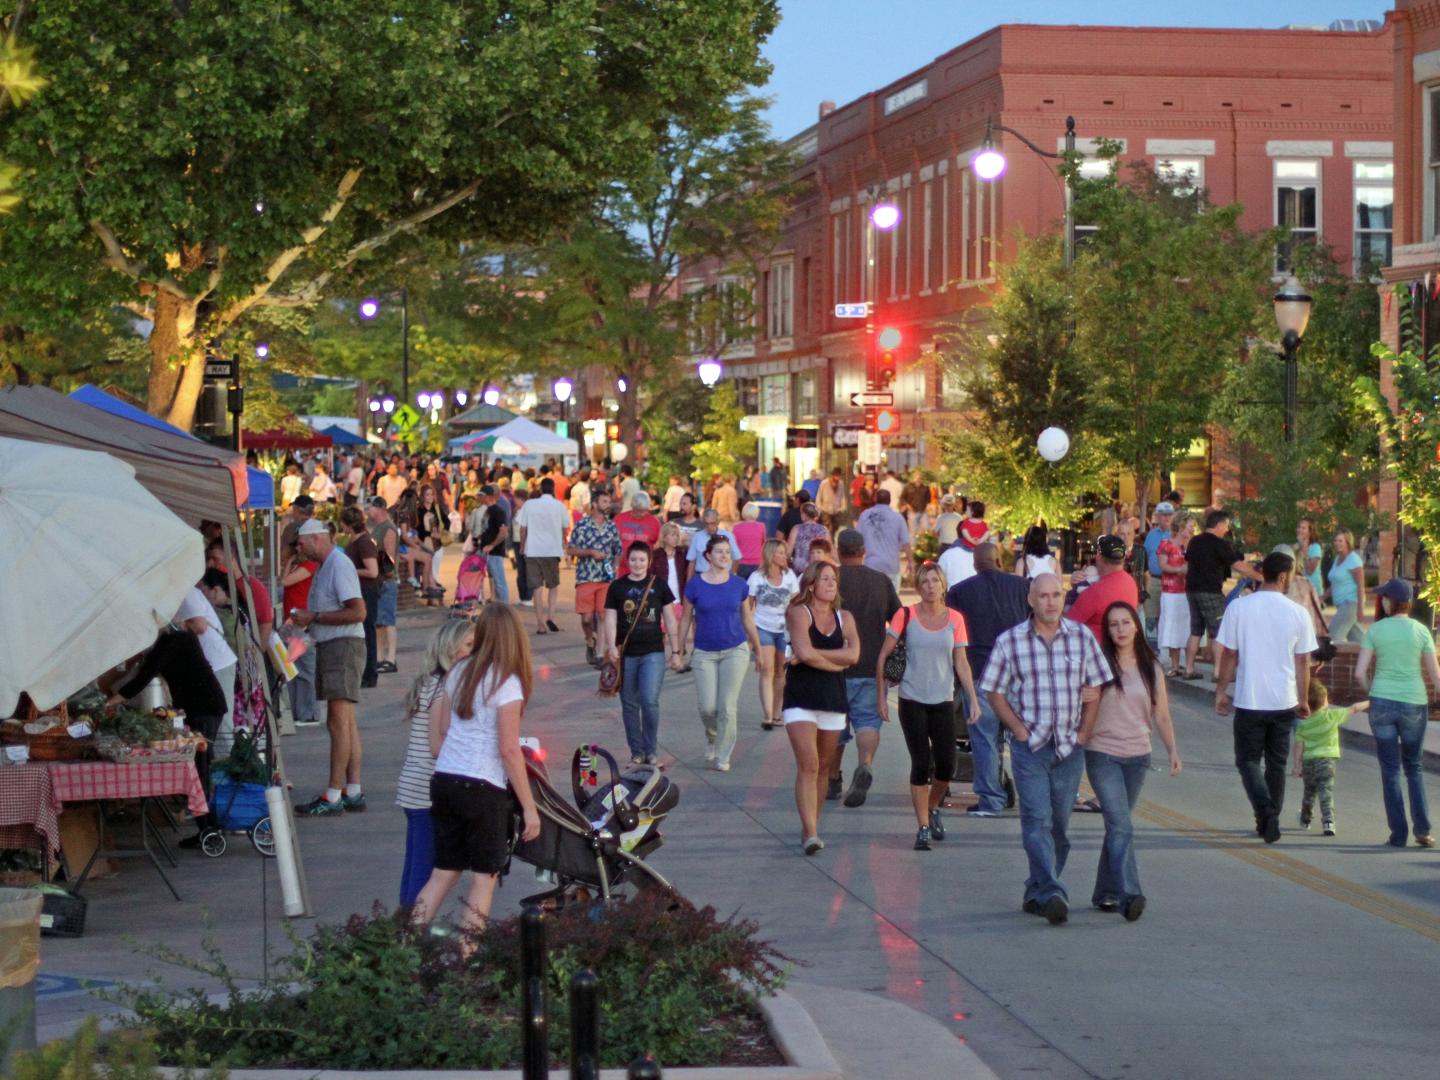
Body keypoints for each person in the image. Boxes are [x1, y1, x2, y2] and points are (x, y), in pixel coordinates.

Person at [980, 574, 1109, 925]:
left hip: (1069, 748)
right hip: (1030, 748)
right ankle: (1053, 891)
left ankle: (1037, 890)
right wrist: (1017, 728)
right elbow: (993, 690)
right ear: (1032, 600)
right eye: (1044, 596)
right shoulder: (1011, 641)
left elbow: (1097, 684)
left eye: (1056, 595)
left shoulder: (1081, 637)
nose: (1051, 602)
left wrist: (1084, 732)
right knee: (1036, 820)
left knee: (1060, 828)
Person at [411, 605, 542, 942]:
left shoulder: (459, 671)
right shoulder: (507, 682)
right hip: (483, 786)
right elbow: (509, 750)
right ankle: (467, 956)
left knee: (443, 872)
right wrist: (529, 807)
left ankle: (405, 949)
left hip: (445, 779)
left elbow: (444, 728)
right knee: (484, 877)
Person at [1077, 601, 1181, 922]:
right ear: (1107, 631)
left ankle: (1105, 893)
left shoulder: (1151, 666)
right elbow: (1080, 701)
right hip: (1102, 754)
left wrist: (1172, 751)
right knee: (1121, 825)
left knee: (1116, 827)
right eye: (1113, 625)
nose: (1120, 630)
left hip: (1138, 757)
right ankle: (1130, 893)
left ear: (1136, 625)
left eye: (1125, 622)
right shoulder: (1099, 664)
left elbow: (1161, 713)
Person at [1214, 551, 1317, 844]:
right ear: (1283, 576)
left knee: (1247, 760)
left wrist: (1222, 691)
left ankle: (1266, 812)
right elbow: (1302, 662)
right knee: (1276, 763)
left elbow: (1230, 654)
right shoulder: (1298, 613)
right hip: (1284, 699)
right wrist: (1304, 699)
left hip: (1250, 698)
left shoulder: (1240, 608)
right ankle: (1269, 814)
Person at [876, 563, 979, 851]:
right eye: (925, 582)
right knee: (921, 763)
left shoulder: (955, 619)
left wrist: (972, 699)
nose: (931, 586)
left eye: (935, 581)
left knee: (947, 765)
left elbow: (961, 661)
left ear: (943, 585)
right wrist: (881, 696)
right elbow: (883, 656)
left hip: (943, 699)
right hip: (912, 699)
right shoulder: (905, 615)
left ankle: (933, 806)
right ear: (918, 587)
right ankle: (922, 826)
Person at [108, 621, 228, 848]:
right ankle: (207, 826)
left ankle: (208, 829)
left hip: (203, 707)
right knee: (199, 766)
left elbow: (143, 678)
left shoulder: (173, 643)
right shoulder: (179, 638)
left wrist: (111, 701)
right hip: (203, 706)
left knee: (200, 767)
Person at [946, 542, 1032, 818]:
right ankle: (1031, 796)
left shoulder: (959, 592)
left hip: (980, 671)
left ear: (975, 564)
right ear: (999, 559)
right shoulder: (1022, 587)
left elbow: (952, 636)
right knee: (1021, 738)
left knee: (984, 739)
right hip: (1018, 672)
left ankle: (991, 800)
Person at [291, 517, 369, 815]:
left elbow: (357, 611)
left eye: (301, 542)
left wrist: (315, 618)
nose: (299, 548)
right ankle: (352, 789)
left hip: (343, 645)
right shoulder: (327, 565)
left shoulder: (337, 564)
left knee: (337, 722)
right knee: (346, 722)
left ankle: (334, 795)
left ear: (316, 539)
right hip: (336, 645)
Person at [1354, 577, 1439, 847]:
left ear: (1391, 601)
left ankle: (1398, 833)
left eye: (1385, 598)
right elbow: (1435, 675)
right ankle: (1422, 830)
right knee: (1413, 767)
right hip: (1414, 701)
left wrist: (1371, 690)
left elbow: (1358, 673)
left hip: (1382, 700)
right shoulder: (1421, 631)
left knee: (1390, 769)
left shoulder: (1376, 630)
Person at [396, 620, 475, 907]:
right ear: (450, 650)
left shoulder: (430, 682)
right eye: (468, 646)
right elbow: (437, 745)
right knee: (424, 868)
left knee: (415, 862)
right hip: (426, 789)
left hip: (413, 786)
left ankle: (402, 926)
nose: (474, 652)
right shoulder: (444, 688)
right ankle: (412, 933)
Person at [782, 561, 860, 854]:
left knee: (825, 768)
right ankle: (812, 833)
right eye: (825, 579)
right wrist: (831, 662)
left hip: (833, 699)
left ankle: (810, 824)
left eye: (834, 579)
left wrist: (816, 657)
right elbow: (802, 651)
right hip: (801, 698)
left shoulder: (845, 617)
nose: (831, 584)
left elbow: (854, 654)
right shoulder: (798, 612)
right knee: (809, 764)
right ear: (811, 584)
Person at [829, 529, 902, 807]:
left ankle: (833, 778)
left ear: (838, 550)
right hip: (872, 665)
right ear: (864, 551)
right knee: (868, 723)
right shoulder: (880, 581)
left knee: (835, 726)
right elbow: (898, 620)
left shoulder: (830, 579)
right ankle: (865, 765)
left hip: (834, 665)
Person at [676, 534, 760, 771]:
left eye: (727, 552)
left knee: (727, 706)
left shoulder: (738, 585)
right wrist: (677, 650)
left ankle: (724, 755)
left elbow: (747, 619)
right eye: (719, 552)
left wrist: (759, 650)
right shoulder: (694, 585)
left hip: (736, 650)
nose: (724, 556)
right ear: (708, 556)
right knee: (707, 707)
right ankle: (712, 736)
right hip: (704, 652)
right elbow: (685, 619)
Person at [603, 541, 681, 767]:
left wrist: (676, 651)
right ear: (628, 561)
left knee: (649, 701)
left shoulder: (659, 585)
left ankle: (651, 750)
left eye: (642, 560)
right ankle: (636, 752)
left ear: (649, 562)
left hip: (653, 652)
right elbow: (610, 618)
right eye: (634, 560)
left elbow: (670, 619)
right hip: (626, 654)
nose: (637, 564)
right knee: (629, 703)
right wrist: (610, 646)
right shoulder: (617, 587)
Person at [1183, 509, 1260, 679]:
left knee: (1195, 630)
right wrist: (1259, 576)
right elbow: (1237, 565)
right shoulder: (1219, 544)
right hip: (1210, 591)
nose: (1227, 529)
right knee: (1219, 631)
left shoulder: (1195, 541)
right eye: (1226, 525)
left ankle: (1189, 669)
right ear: (1219, 524)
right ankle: (1218, 672)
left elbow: (1188, 561)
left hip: (1192, 590)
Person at [1293, 681, 1368, 839]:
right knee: (1325, 792)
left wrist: (1297, 765)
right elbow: (1354, 708)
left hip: (1309, 762)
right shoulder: (1331, 716)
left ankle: (1305, 820)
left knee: (1309, 793)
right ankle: (1328, 823)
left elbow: (1299, 745)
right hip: (1327, 761)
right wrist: (1371, 701)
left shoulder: (1303, 723)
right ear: (1324, 701)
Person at [747, 539, 800, 731]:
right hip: (763, 627)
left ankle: (777, 712)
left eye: (784, 553)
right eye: (780, 553)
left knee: (780, 672)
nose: (784, 556)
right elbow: (747, 605)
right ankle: (768, 715)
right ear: (771, 555)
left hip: (783, 630)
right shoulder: (756, 577)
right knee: (767, 670)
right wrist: (749, 635)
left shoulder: (790, 576)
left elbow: (796, 603)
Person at [567, 491, 622, 666]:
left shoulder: (612, 527)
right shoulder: (582, 525)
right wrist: (590, 552)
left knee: (604, 615)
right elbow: (571, 550)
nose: (608, 504)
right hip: (586, 576)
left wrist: (615, 568)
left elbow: (618, 550)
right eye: (605, 501)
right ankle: (589, 640)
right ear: (594, 504)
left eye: (609, 501)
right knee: (587, 618)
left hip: (605, 578)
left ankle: (599, 654)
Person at [515, 477, 571, 634]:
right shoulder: (559, 506)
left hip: (532, 551)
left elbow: (523, 529)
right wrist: (562, 543)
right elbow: (565, 528)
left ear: (540, 489)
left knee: (536, 587)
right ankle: (550, 616)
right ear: (553, 489)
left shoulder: (529, 504)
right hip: (552, 551)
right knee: (553, 585)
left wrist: (522, 546)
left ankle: (540, 624)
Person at [1065, 535, 1140, 641]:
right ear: (1123, 558)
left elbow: (1067, 625)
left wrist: (1073, 591)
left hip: (1096, 651)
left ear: (1098, 556)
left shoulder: (1095, 592)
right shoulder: (1130, 582)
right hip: (1120, 650)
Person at [279, 538, 319, 727]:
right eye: (295, 545)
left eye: (300, 545)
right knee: (293, 669)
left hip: (301, 621)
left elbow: (285, 581)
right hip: (291, 620)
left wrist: (289, 562)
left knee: (304, 669)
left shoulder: (310, 565)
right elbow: (283, 581)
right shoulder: (299, 566)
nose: (297, 549)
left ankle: (308, 713)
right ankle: (299, 711)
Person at [342, 505, 383, 687]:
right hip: (359, 591)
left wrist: (351, 570)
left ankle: (369, 673)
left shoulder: (364, 543)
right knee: (362, 632)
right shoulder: (356, 541)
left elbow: (372, 571)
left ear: (348, 525)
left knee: (368, 632)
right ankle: (363, 672)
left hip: (367, 591)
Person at [1156, 512, 1194, 676]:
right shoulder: (1166, 544)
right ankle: (1175, 665)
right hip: (1171, 592)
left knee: (1187, 627)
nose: (1192, 529)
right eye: (1190, 526)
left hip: (1188, 591)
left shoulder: (1193, 545)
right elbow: (1163, 565)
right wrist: (1180, 569)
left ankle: (1188, 664)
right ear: (1180, 526)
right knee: (1172, 628)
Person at [366, 498, 402, 674]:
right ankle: (380, 657)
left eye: (370, 508)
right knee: (379, 622)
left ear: (379, 508)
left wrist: (383, 574)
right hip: (378, 581)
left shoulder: (388, 528)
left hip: (386, 581)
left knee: (388, 621)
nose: (368, 512)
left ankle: (391, 658)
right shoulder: (377, 528)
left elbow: (389, 558)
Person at [857, 489, 911, 592]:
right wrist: (910, 562)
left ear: (875, 499)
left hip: (871, 565)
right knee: (893, 603)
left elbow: (858, 540)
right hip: (891, 565)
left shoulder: (865, 515)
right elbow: (906, 542)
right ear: (890, 501)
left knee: (872, 599)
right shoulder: (897, 517)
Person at [471, 486, 511, 603]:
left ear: (488, 497)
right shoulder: (487, 510)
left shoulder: (498, 511)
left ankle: (505, 609)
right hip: (484, 550)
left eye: (480, 495)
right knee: (473, 571)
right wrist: (479, 539)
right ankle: (474, 598)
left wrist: (492, 545)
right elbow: (487, 529)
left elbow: (503, 532)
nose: (478, 498)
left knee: (499, 582)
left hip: (494, 552)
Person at [1143, 501, 1177, 636]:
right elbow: (1145, 556)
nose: (1167, 518)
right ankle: (1152, 650)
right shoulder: (1151, 535)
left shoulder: (1177, 535)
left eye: (1169, 515)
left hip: (1173, 581)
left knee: (1170, 617)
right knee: (1151, 616)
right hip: (1154, 580)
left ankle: (1170, 649)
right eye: (1163, 515)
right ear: (1157, 516)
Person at [1327, 528, 1366, 643]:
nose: (1337, 543)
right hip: (1341, 605)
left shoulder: (1354, 560)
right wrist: (1320, 598)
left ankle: (1334, 661)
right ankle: (1373, 657)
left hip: (1351, 604)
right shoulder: (1337, 559)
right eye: (1335, 540)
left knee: (1333, 635)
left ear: (1347, 542)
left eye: (1340, 541)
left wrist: (1360, 609)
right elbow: (1334, 583)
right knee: (1358, 640)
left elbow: (1361, 585)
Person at [685, 509, 738, 574]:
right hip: (701, 575)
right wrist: (689, 583)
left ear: (718, 522)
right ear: (703, 523)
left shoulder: (729, 536)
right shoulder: (697, 537)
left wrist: (732, 576)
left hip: (722, 576)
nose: (710, 527)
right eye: (707, 524)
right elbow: (691, 562)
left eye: (712, 523)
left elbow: (736, 557)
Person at [615, 490, 663, 562]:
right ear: (632, 507)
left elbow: (660, 544)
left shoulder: (655, 522)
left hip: (644, 567)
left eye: (645, 511)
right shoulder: (619, 519)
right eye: (639, 511)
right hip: (622, 566)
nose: (642, 514)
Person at [787, 502, 829, 574]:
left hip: (799, 570)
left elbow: (788, 552)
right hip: (818, 570)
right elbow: (829, 551)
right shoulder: (824, 530)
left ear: (804, 514)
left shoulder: (796, 529)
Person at [732, 502, 767, 579]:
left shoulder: (736, 528)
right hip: (757, 562)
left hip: (741, 563)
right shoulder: (761, 526)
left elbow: (734, 547)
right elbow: (764, 544)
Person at [1296, 517, 1325, 598]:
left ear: (1310, 532)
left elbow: (1310, 571)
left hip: (1313, 591)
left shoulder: (1315, 547)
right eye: (1299, 527)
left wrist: (1305, 551)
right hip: (1300, 590)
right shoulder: (1296, 547)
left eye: (1303, 528)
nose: (1299, 530)